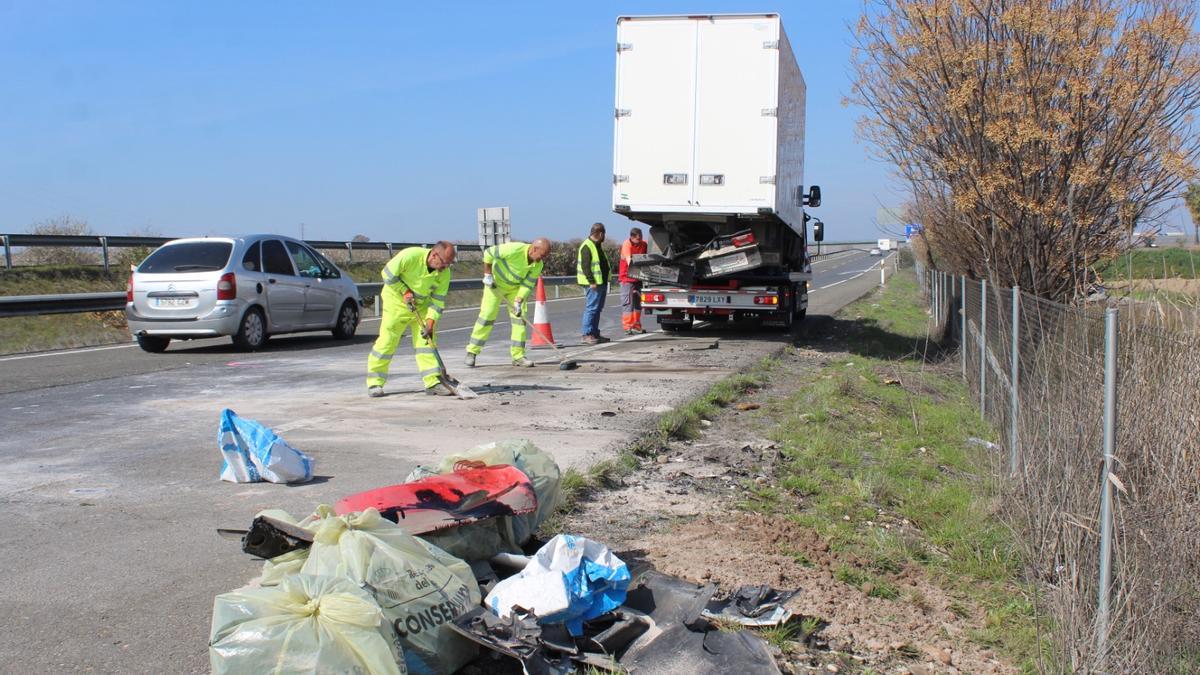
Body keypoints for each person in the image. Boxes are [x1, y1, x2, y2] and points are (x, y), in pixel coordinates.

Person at [366, 242, 456, 397]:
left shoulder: (444, 273)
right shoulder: (411, 255)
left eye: (449, 264)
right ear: (434, 255)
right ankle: (375, 382)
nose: (445, 267)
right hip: (396, 303)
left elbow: (438, 301)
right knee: (387, 341)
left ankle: (432, 382)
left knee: (426, 343)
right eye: (444, 263)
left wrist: (430, 322)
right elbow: (387, 273)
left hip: (421, 307)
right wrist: (404, 290)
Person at [464, 238, 551, 368]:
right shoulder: (514, 249)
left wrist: (519, 300)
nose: (542, 258)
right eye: (542, 255)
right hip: (494, 286)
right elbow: (488, 253)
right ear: (534, 249)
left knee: (519, 320)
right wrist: (487, 274)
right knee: (486, 317)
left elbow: (528, 284)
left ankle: (518, 356)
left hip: (514, 289)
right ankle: (472, 352)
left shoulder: (538, 264)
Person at [577, 222, 611, 345]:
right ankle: (587, 334)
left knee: (597, 309)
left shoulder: (597, 245)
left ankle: (595, 333)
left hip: (600, 283)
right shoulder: (587, 246)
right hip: (593, 284)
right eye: (604, 234)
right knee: (591, 309)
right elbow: (585, 266)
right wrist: (592, 281)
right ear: (600, 233)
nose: (604, 237)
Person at [618, 226, 647, 335]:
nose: (640, 241)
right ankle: (627, 326)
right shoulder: (627, 244)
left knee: (638, 303)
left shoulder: (643, 244)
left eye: (641, 238)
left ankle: (636, 325)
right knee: (628, 303)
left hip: (638, 277)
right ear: (632, 237)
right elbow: (630, 261)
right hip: (627, 278)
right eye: (638, 239)